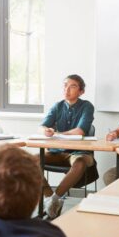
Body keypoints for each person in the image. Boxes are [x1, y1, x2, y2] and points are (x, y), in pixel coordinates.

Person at [39, 74, 94, 219]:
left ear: (81, 91)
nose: (67, 89)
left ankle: (54, 200)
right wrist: (46, 130)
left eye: (72, 86)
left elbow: (80, 131)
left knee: (80, 163)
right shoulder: (57, 106)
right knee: (29, 161)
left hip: (78, 152)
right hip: (57, 153)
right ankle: (50, 198)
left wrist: (58, 133)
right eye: (65, 85)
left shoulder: (87, 106)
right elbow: (42, 126)